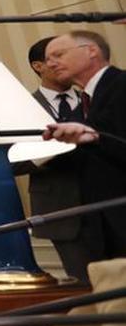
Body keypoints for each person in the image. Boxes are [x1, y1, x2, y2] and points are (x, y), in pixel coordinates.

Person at [43, 30, 126, 261]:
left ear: (91, 51)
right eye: (48, 59)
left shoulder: (122, 85)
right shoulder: (80, 109)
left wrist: (98, 139)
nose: (50, 64)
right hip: (101, 226)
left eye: (58, 54)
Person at [19, 37, 91, 280]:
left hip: (112, 204)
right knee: (85, 286)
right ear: (38, 66)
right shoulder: (21, 107)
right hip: (60, 211)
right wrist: (51, 149)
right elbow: (11, 163)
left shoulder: (94, 98)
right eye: (59, 57)